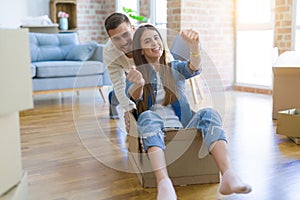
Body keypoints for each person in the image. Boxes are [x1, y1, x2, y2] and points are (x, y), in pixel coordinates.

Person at [126, 24, 252, 200]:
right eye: (148, 40)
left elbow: (194, 67)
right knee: (147, 116)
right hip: (154, 131)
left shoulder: (174, 68)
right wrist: (138, 84)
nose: (155, 43)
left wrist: (194, 48)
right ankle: (164, 183)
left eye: (156, 38)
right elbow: (134, 97)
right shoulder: (136, 74)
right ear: (140, 50)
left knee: (209, 113)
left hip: (183, 128)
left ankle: (228, 175)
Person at [104, 13, 173, 121]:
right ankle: (113, 98)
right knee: (129, 89)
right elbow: (118, 84)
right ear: (110, 39)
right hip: (131, 74)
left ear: (133, 29)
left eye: (126, 34)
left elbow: (167, 59)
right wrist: (131, 111)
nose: (123, 42)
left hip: (150, 69)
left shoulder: (149, 33)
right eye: (116, 39)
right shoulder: (109, 52)